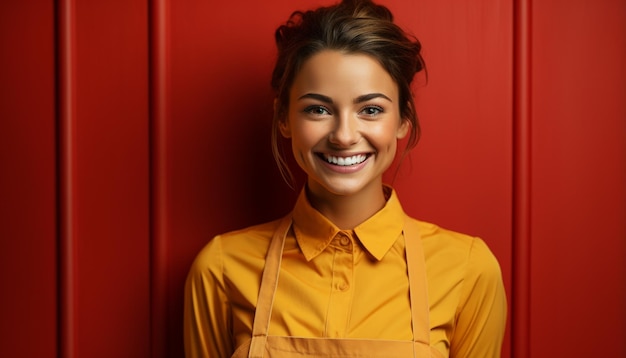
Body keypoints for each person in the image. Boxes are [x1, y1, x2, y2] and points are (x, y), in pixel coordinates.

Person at [184, 0, 507, 357]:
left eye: (370, 110)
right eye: (318, 109)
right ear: (284, 118)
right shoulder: (221, 268)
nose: (343, 135)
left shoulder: (467, 270)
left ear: (402, 120)